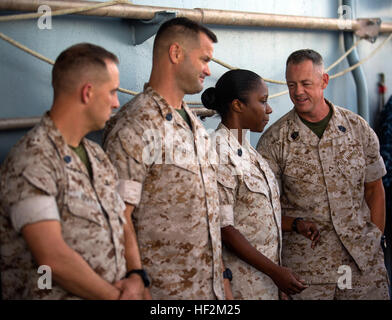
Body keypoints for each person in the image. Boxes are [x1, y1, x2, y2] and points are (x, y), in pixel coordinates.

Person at [0, 43, 149, 300]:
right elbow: (52, 257)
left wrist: (137, 277)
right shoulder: (33, 158)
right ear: (87, 92)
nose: (116, 102)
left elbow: (121, 224)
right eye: (112, 92)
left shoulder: (97, 156)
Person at [103, 17, 230, 300]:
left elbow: (209, 216)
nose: (209, 70)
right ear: (176, 53)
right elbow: (117, 217)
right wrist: (142, 287)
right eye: (204, 59)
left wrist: (225, 286)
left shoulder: (195, 126)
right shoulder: (135, 126)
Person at [257, 49, 390, 300]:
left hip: (363, 268)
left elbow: (374, 189)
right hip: (308, 273)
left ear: (324, 81)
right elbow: (267, 211)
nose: (298, 92)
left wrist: (374, 238)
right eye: (291, 85)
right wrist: (294, 226)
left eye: (306, 84)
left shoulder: (357, 128)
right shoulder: (274, 141)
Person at [202, 69, 320, 299]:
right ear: (237, 105)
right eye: (263, 101)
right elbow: (224, 229)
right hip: (241, 287)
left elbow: (254, 214)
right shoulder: (219, 151)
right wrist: (276, 272)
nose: (269, 109)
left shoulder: (248, 151)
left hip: (266, 285)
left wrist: (296, 225)